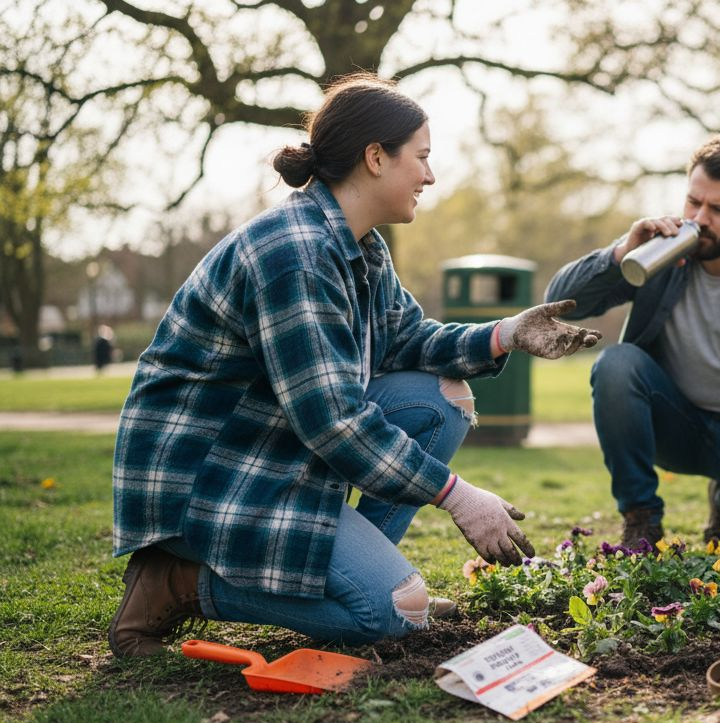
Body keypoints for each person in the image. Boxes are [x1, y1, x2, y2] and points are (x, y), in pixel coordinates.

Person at [108, 74, 601, 658]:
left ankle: (385, 575)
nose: (430, 175)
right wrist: (456, 494)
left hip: (272, 450)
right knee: (391, 616)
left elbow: (405, 339)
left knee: (442, 397)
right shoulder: (297, 254)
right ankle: (179, 582)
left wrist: (506, 334)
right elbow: (334, 421)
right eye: (421, 158)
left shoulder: (360, 245)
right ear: (375, 158)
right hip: (211, 478)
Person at [545, 134, 720, 548]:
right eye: (694, 202)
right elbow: (559, 303)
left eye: (719, 209)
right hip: (672, 422)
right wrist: (620, 254)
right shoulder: (659, 254)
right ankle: (641, 518)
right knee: (616, 364)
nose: (700, 218)